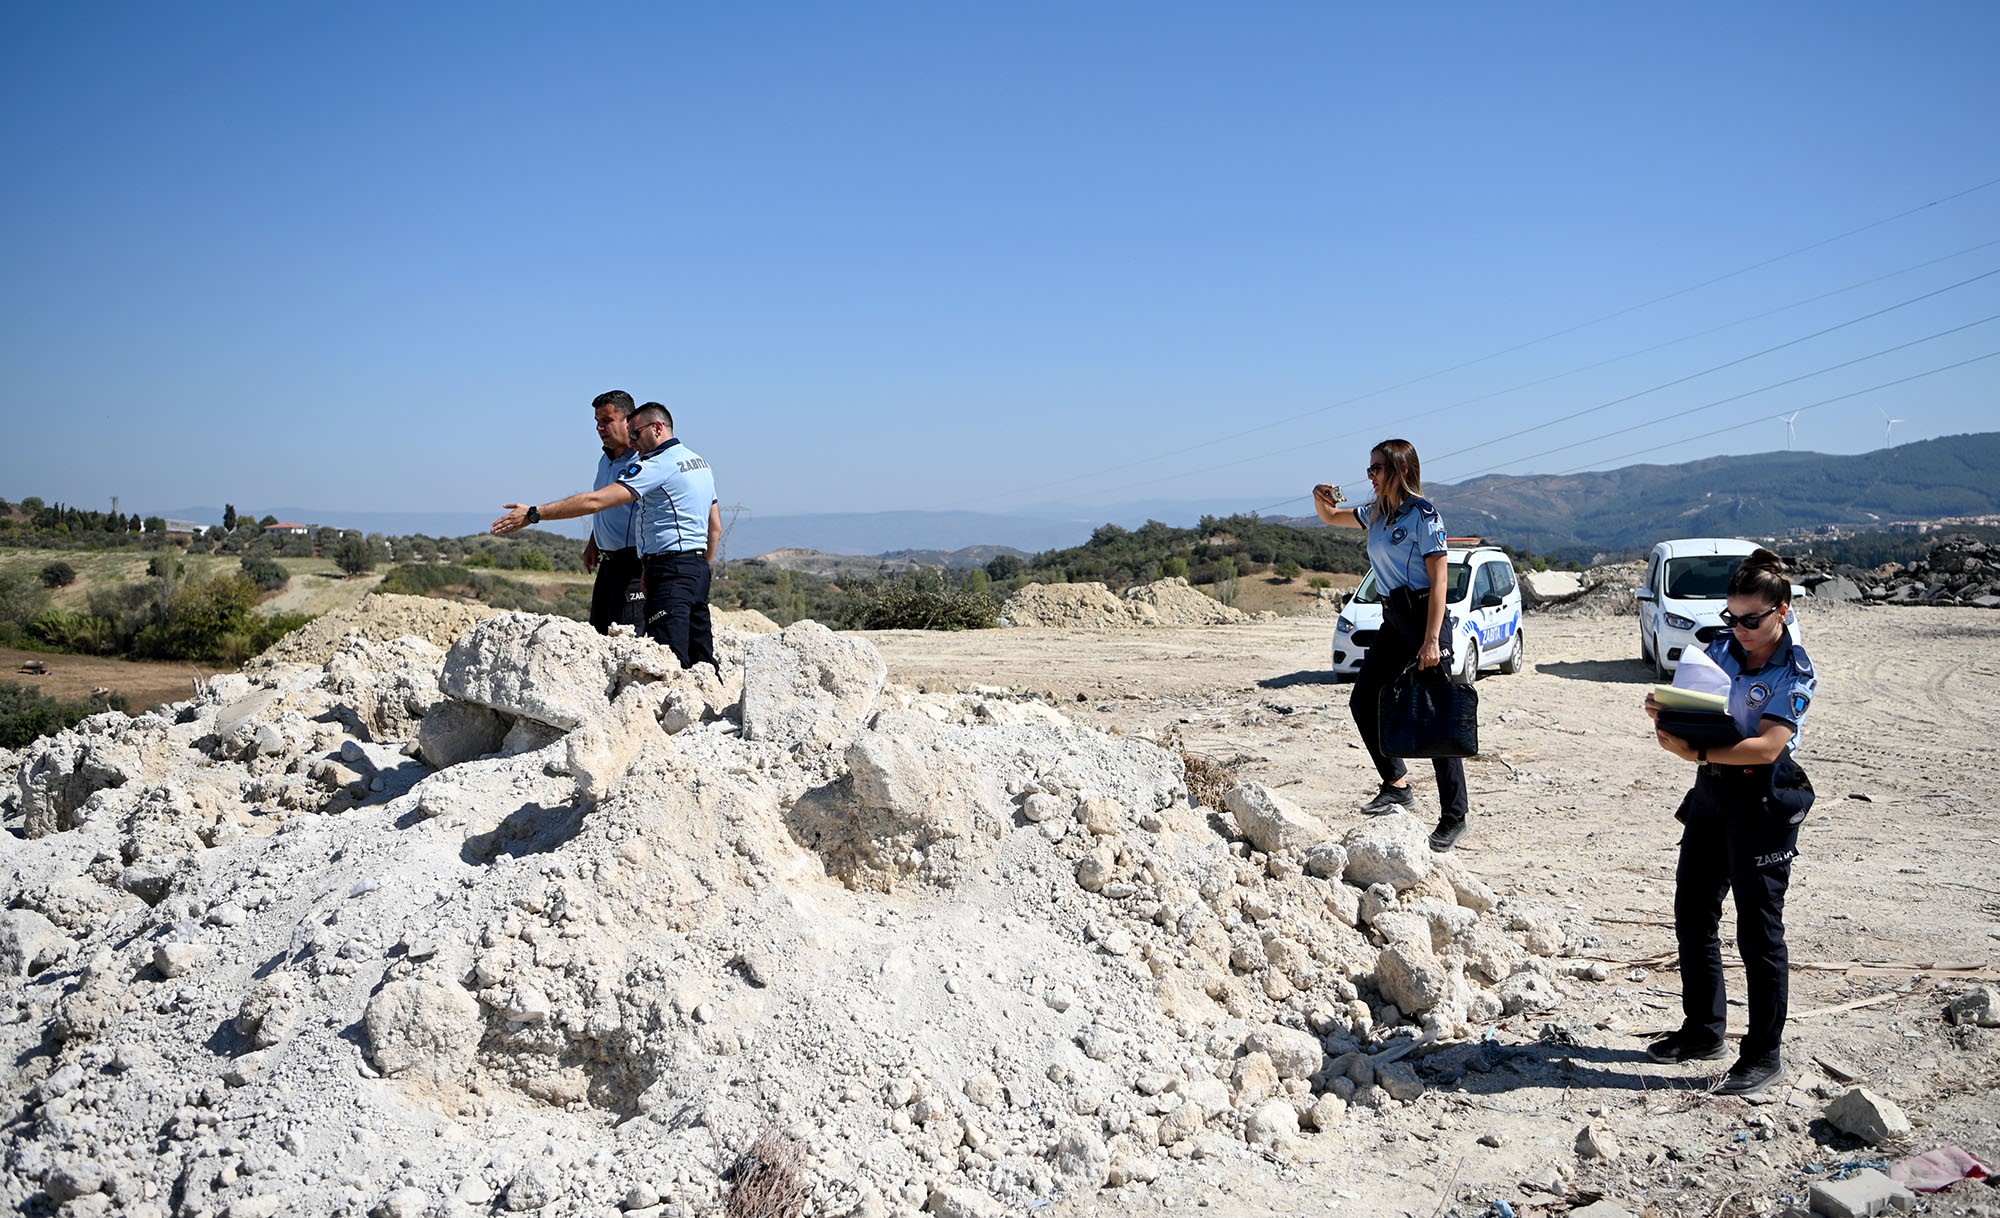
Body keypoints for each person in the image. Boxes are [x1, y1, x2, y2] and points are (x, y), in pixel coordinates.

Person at [1642, 548, 1816, 1097]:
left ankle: (1764, 1053)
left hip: (1761, 802)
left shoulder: (1795, 668)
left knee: (1758, 932)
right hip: (1712, 795)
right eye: (1731, 617)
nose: (1738, 629)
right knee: (1693, 914)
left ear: (1781, 612)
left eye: (1751, 619)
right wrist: (1664, 712)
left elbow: (1766, 748)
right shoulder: (1718, 649)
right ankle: (1703, 1031)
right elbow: (1693, 705)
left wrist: (1698, 756)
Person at [1312, 439, 1470, 852]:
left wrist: (1432, 639)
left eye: (1377, 469)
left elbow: (1439, 582)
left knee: (1437, 720)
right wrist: (1319, 497)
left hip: (1424, 617)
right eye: (1368, 469)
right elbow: (1330, 516)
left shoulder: (1424, 515)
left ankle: (1455, 816)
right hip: (1393, 619)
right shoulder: (1376, 513)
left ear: (1399, 469)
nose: (1371, 476)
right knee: (1364, 700)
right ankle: (1397, 783)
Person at [491, 402, 721, 669]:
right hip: (692, 567)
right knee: (701, 656)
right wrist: (698, 568)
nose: (634, 443)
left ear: (657, 428)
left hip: (666, 570)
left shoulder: (656, 465)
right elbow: (714, 527)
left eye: (636, 433)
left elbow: (595, 501)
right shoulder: (698, 462)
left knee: (667, 659)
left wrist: (534, 513)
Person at [584, 390, 645, 635]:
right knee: (598, 635)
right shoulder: (604, 460)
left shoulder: (643, 462)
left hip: (633, 566)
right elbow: (603, 506)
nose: (600, 428)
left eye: (607, 421)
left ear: (628, 421)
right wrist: (594, 542)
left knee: (628, 639)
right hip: (608, 567)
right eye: (598, 422)